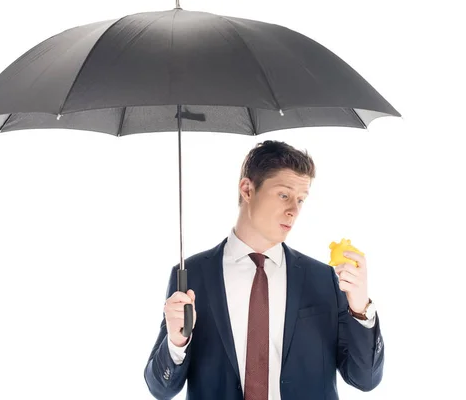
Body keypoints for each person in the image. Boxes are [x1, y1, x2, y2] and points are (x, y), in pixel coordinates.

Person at [144, 140, 384, 400]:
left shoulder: (323, 279)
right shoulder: (192, 274)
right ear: (247, 189)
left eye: (301, 200)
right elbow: (162, 388)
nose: (293, 210)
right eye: (284, 195)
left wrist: (360, 308)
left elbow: (365, 379)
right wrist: (176, 342)